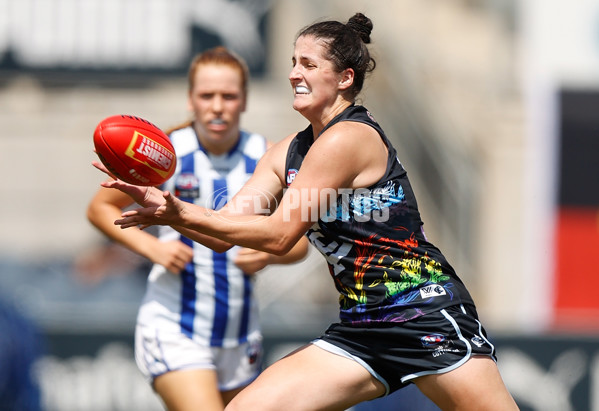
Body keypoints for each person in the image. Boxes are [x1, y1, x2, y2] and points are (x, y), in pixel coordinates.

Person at [95, 13, 519, 411]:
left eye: (309, 65)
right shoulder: (285, 153)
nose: (294, 74)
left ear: (344, 78)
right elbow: (224, 234)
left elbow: (280, 236)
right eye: (293, 62)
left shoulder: (348, 138)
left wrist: (183, 213)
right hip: (361, 327)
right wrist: (170, 211)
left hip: (423, 311)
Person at [87, 46, 309, 411]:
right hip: (175, 325)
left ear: (245, 101)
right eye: (207, 95)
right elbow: (99, 209)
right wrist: (153, 249)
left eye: (229, 95)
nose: (218, 106)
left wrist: (270, 255)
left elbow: (298, 242)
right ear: (191, 99)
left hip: (239, 332)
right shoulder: (164, 155)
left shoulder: (267, 155)